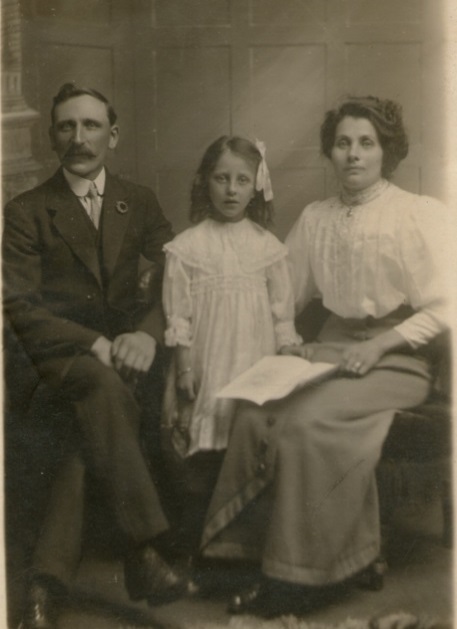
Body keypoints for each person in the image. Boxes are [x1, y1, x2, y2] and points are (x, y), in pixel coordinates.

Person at [199, 97, 451, 617]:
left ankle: (299, 578)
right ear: (330, 153)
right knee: (256, 413)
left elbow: (446, 306)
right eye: (342, 144)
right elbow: (283, 294)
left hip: (398, 357)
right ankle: (246, 559)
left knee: (310, 423)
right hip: (334, 347)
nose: (353, 154)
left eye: (366, 143)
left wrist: (379, 345)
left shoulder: (416, 214)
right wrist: (290, 344)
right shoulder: (316, 218)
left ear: (387, 151)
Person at [3, 83, 194, 629]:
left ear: (113, 135)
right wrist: (95, 343)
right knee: (103, 390)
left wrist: (149, 334)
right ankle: (144, 552)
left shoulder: (140, 200)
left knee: (83, 440)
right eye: (67, 126)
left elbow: (172, 278)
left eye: (90, 126)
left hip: (126, 360)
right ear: (52, 137)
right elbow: (19, 307)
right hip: (53, 362)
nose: (79, 138)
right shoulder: (26, 211)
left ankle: (43, 586)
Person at [161, 136, 301, 555]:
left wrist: (288, 356)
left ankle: (245, 542)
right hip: (205, 361)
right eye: (222, 178)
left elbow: (282, 314)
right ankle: (200, 545)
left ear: (256, 186)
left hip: (252, 360)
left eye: (242, 180)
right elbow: (178, 317)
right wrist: (185, 367)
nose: (231, 190)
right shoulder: (187, 248)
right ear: (205, 182)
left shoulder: (267, 248)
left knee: (249, 444)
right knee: (202, 447)